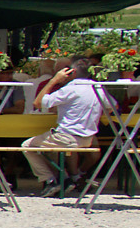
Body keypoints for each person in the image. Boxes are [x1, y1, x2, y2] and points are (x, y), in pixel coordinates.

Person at [22, 56, 116, 197]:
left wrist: (54, 80)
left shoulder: (70, 89)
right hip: (87, 138)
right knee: (52, 146)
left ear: (73, 72)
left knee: (27, 146)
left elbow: (38, 103)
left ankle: (51, 180)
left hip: (66, 136)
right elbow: (112, 107)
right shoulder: (98, 88)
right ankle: (68, 178)